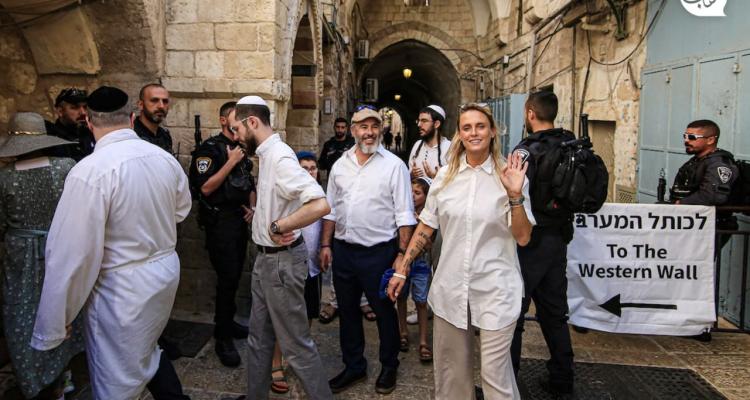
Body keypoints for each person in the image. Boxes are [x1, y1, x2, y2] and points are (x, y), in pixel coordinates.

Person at [31, 86, 192, 400]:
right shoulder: (164, 159)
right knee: (146, 349)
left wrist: (57, 319)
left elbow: (71, 253)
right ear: (131, 119)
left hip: (121, 290)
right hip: (163, 275)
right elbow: (181, 210)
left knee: (114, 379)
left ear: (90, 122)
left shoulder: (89, 172)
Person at [388, 103, 533, 400]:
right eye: (467, 127)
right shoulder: (445, 177)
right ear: (459, 134)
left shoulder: (510, 176)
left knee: (495, 376)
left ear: (492, 131)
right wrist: (403, 267)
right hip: (451, 287)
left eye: (480, 126)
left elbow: (523, 237)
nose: (474, 133)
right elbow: (426, 225)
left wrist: (515, 196)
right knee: (451, 376)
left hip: (496, 288)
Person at [231, 96, 333, 400]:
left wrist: (280, 226)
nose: (236, 136)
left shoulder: (280, 157)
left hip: (281, 264)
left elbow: (320, 204)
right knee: (258, 340)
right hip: (266, 262)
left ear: (252, 122)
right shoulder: (267, 155)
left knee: (296, 347)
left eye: (237, 129)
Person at [321, 104, 416, 395]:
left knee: (384, 312)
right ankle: (354, 366)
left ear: (381, 130)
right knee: (348, 311)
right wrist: (325, 244)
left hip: (379, 253)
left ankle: (389, 365)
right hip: (344, 251)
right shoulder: (340, 165)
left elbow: (405, 215)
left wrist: (401, 256)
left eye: (375, 126)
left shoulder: (394, 166)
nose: (370, 132)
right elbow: (330, 208)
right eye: (363, 126)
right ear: (353, 130)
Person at [0, 112, 86, 400]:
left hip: (20, 254)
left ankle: (33, 380)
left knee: (21, 313)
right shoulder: (66, 167)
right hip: (60, 247)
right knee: (60, 308)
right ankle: (63, 375)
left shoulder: (4, 178)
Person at [509, 91, 576, 398]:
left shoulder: (525, 151)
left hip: (530, 240)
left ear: (530, 113)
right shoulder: (570, 144)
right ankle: (562, 379)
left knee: (513, 313)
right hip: (559, 238)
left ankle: (507, 383)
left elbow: (515, 192)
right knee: (554, 313)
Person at [189, 101, 256, 367]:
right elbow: (205, 188)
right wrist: (230, 162)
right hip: (220, 223)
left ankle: (228, 323)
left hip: (239, 220)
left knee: (235, 276)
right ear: (223, 120)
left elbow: (249, 182)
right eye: (235, 116)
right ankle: (222, 336)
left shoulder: (242, 147)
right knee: (227, 279)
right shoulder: (209, 149)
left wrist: (252, 207)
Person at [267, 151, 327, 395]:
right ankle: (276, 362)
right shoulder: (289, 199)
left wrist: (325, 248)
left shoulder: (320, 197)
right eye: (304, 168)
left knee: (308, 312)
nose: (310, 172)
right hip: (291, 267)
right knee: (284, 317)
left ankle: (298, 354)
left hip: (312, 269)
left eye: (313, 168)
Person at [395, 177, 434, 362]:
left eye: (417, 193)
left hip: (421, 264)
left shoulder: (429, 216)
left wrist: (420, 227)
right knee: (401, 298)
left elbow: (430, 244)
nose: (412, 196)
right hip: (403, 263)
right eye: (410, 192)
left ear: (426, 197)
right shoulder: (402, 213)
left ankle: (423, 341)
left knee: (421, 301)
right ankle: (402, 332)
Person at [44, 87, 96, 160]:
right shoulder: (52, 140)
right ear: (60, 111)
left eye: (85, 107)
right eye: (75, 107)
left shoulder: (90, 133)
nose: (83, 112)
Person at [409, 105, 451, 179]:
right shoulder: (417, 145)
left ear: (436, 124)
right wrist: (411, 175)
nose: (419, 125)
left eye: (424, 121)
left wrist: (437, 179)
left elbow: (456, 180)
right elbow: (408, 174)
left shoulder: (450, 148)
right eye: (419, 121)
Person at [134, 83, 173, 154]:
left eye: (165, 101)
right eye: (154, 100)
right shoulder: (131, 134)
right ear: (141, 105)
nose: (161, 106)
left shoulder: (164, 135)